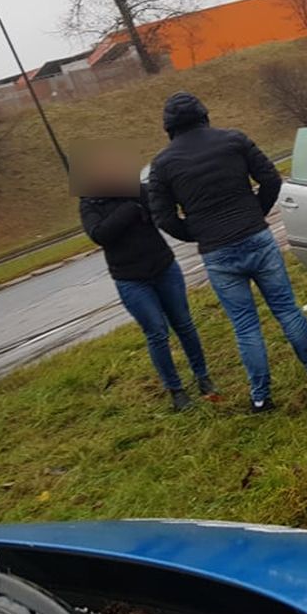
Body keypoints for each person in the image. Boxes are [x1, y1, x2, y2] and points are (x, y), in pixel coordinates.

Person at [148, 92, 307, 413]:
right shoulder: (233, 140)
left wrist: (198, 232)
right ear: (204, 115)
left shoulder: (162, 165)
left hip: (217, 253)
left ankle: (261, 396)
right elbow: (271, 179)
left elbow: (163, 218)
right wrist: (255, 213)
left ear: (169, 127)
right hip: (255, 236)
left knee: (245, 325)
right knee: (286, 309)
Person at [76, 143, 216, 412]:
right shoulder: (89, 204)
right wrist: (130, 211)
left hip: (164, 267)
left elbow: (158, 212)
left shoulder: (137, 190)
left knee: (184, 324)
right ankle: (176, 391)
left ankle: (203, 377)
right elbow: (100, 234)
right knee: (157, 333)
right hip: (131, 280)